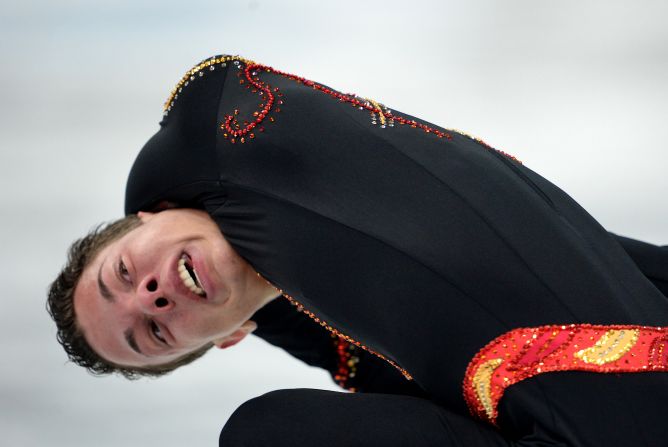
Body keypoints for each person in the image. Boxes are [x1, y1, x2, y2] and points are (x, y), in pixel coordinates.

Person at [48, 55, 668, 446]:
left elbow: (215, 90)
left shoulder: (222, 140)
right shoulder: (353, 330)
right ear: (230, 338)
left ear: (145, 217)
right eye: (155, 333)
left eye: (123, 273)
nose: (151, 296)